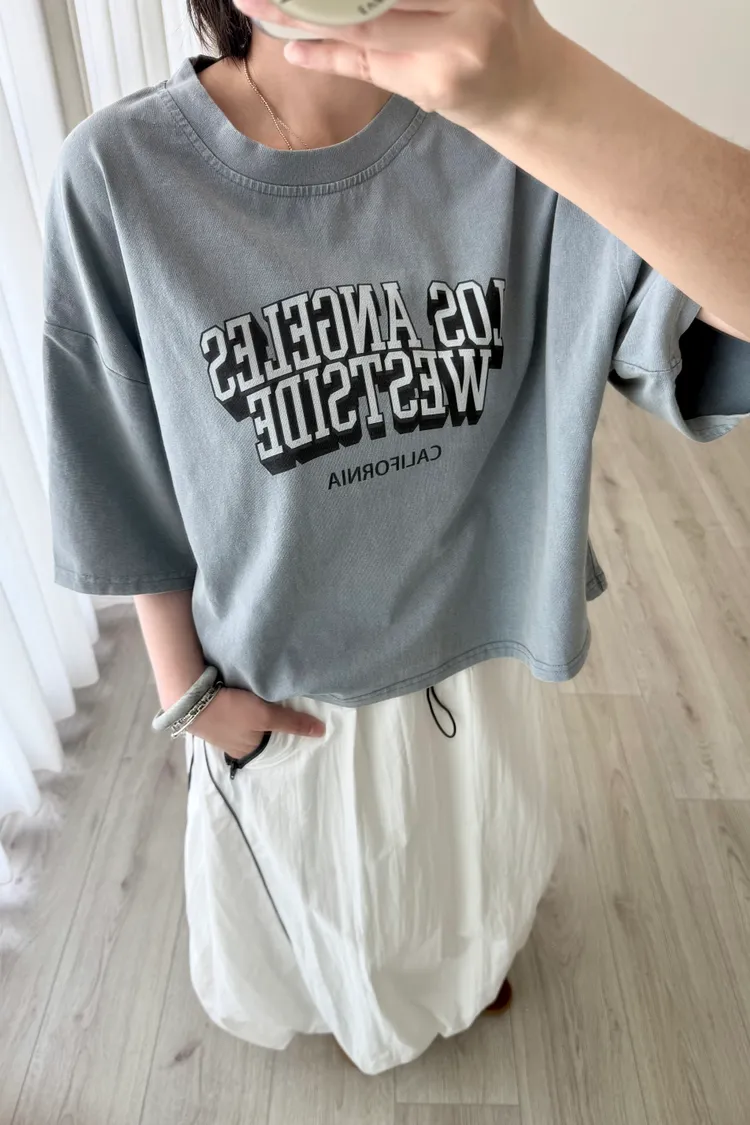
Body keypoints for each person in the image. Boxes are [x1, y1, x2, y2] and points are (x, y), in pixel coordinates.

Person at [42, 0, 749, 1075]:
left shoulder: (525, 143)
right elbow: (116, 467)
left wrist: (545, 87)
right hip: (279, 682)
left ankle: (463, 970)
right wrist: (188, 693)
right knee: (305, 909)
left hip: (473, 655)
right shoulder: (119, 176)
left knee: (470, 878)